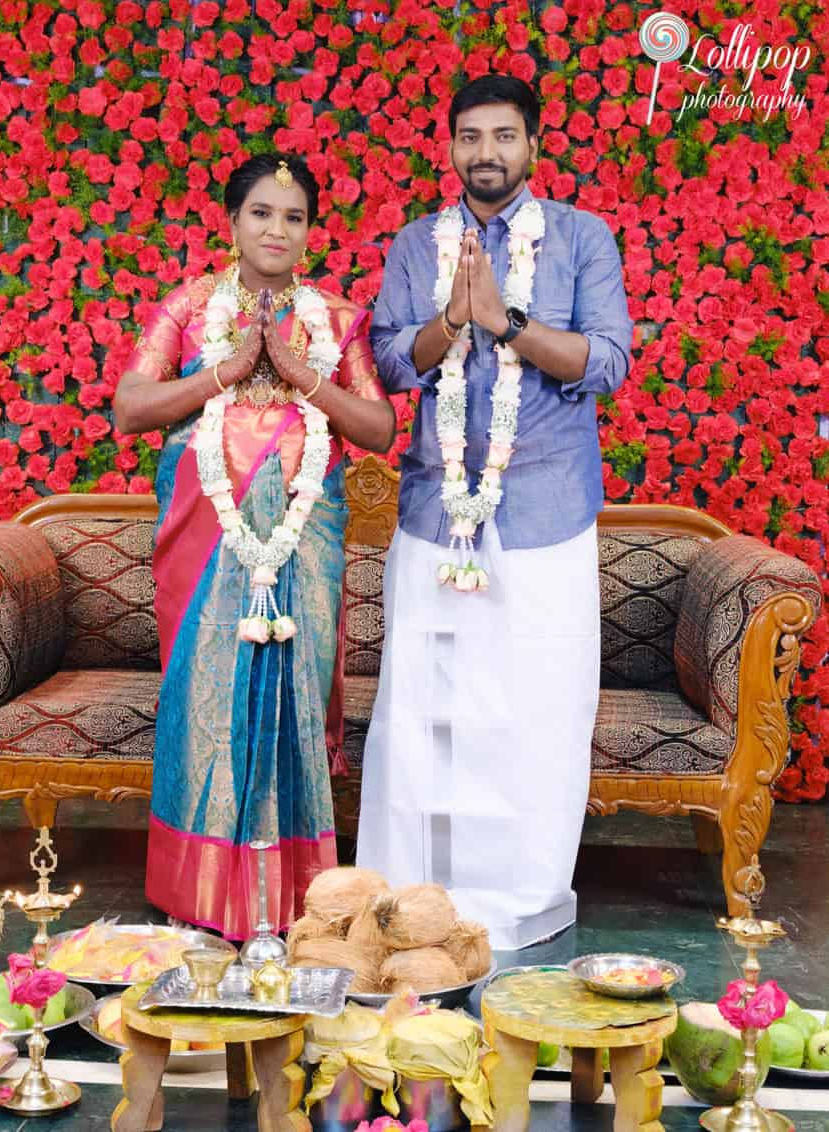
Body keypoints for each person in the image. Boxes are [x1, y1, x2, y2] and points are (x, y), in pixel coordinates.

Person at [356, 75, 633, 950]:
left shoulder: (583, 239)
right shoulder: (415, 244)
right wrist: (451, 322)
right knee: (426, 709)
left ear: (533, 145)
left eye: (504, 136)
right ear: (449, 147)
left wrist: (505, 323)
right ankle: (415, 901)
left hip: (546, 508)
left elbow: (607, 361)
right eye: (470, 137)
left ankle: (517, 902)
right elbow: (393, 363)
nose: (487, 153)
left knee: (535, 708)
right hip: (436, 510)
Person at [115, 154, 395, 939]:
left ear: (311, 229)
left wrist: (305, 377)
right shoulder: (190, 306)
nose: (278, 229)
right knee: (207, 709)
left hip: (304, 548)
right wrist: (229, 372)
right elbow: (131, 408)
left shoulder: (338, 320)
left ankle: (299, 900)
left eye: (295, 216)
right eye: (262, 213)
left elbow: (378, 429)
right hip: (205, 546)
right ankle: (201, 896)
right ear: (232, 221)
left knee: (294, 700)